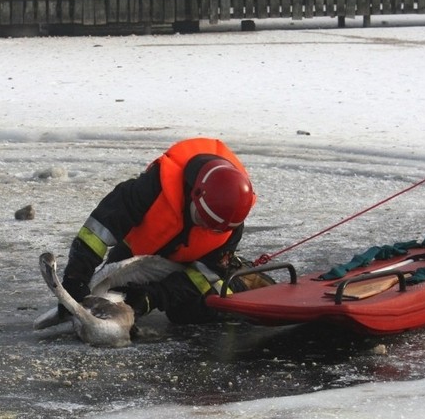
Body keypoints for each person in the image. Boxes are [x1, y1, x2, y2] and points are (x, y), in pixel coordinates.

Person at [60, 138, 274, 325]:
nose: (204, 229)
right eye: (202, 220)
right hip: (139, 252)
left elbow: (202, 275)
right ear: (194, 194)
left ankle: (237, 280)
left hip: (194, 263)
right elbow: (98, 230)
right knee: (109, 298)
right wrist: (75, 278)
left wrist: (153, 297)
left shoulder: (231, 221)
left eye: (213, 229)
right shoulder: (152, 187)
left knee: (186, 311)